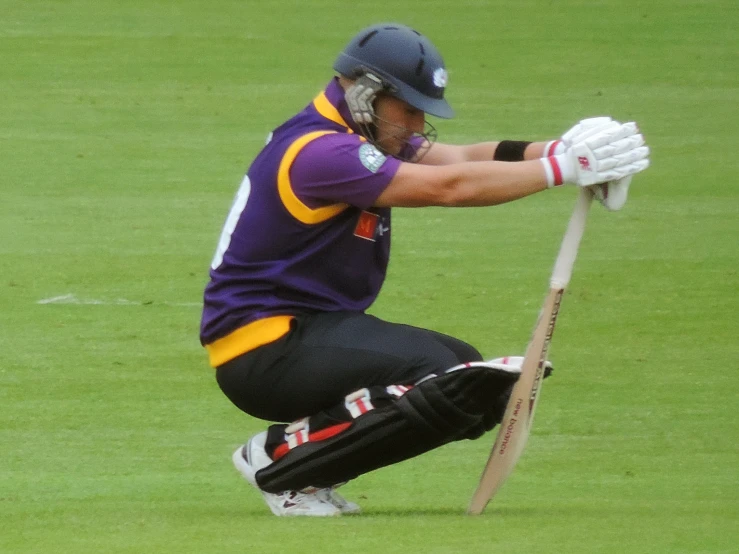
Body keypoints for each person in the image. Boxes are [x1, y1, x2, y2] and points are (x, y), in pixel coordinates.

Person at [200, 22, 649, 517]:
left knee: (474, 386)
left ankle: (306, 463)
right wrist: (564, 170)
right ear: (368, 94)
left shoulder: (359, 135)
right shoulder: (321, 152)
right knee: (443, 378)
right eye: (409, 110)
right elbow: (449, 186)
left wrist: (555, 150)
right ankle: (283, 466)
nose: (416, 126)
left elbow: (460, 156)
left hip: (307, 331)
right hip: (265, 348)